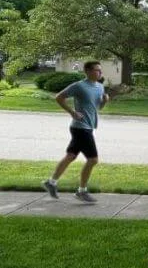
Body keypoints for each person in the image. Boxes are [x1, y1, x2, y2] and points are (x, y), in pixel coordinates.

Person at [42, 61, 109, 202]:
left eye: (100, 70)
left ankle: (51, 182)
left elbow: (97, 107)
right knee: (93, 160)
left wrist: (104, 101)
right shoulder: (79, 86)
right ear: (88, 71)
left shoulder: (100, 87)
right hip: (80, 128)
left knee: (71, 156)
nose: (100, 73)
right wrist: (72, 112)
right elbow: (59, 97)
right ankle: (82, 191)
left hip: (88, 127)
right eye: (97, 70)